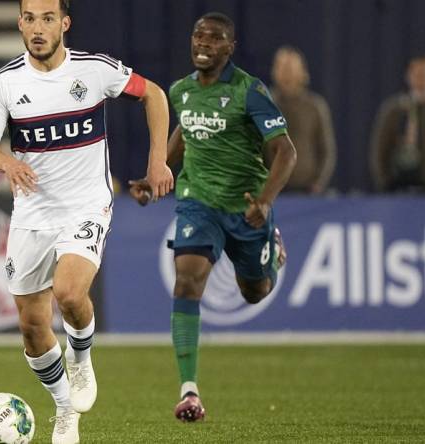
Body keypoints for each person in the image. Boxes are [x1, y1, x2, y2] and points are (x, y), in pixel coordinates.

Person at [0, 0, 173, 442]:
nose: (38, 28)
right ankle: (65, 410)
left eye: (47, 19)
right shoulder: (5, 82)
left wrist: (158, 161)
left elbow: (154, 94)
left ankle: (81, 357)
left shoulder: (95, 70)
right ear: (20, 24)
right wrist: (6, 163)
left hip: (86, 204)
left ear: (64, 23)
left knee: (68, 291)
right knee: (30, 325)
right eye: (29, 19)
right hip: (32, 212)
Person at [129, 12, 296, 422]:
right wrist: (156, 176)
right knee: (186, 278)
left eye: (215, 38)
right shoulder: (181, 91)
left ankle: (271, 252)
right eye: (198, 35)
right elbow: (184, 133)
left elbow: (286, 151)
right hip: (197, 201)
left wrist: (266, 201)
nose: (204, 43)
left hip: (245, 207)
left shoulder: (248, 91)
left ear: (230, 48)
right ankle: (189, 391)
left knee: (254, 291)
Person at [370, 56, 425, 193]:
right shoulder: (395, 109)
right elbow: (380, 150)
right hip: (406, 187)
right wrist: (385, 183)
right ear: (408, 77)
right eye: (417, 75)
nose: (422, 79)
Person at [270, 46, 336, 194]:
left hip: (307, 191)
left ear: (302, 73)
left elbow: (326, 150)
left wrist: (318, 183)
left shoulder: (315, 106)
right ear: (274, 72)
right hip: (271, 192)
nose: (287, 75)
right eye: (282, 68)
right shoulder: (263, 105)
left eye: (291, 69)